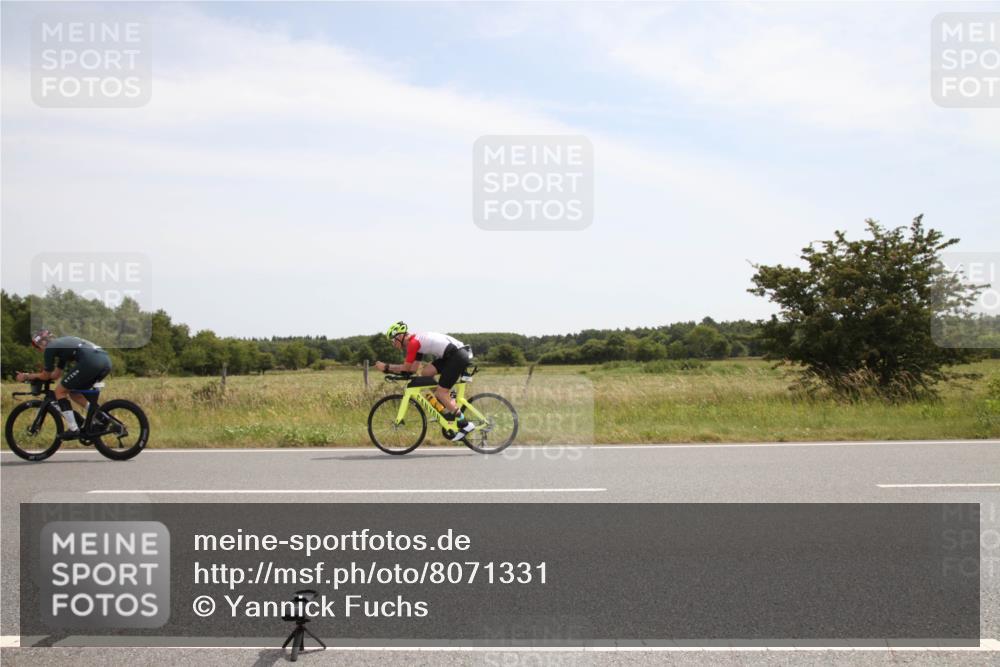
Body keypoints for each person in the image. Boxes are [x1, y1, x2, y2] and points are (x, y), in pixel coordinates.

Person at [375, 321, 474, 440]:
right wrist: (396, 373)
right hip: (452, 355)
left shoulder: (413, 343)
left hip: (456, 355)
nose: (393, 344)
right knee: (426, 373)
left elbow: (406, 368)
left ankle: (465, 423)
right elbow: (413, 369)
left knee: (441, 392)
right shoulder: (415, 342)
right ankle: (447, 401)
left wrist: (386, 367)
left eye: (393, 340)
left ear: (400, 336)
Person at [16, 330, 112, 434]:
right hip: (105, 361)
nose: (39, 350)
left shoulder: (50, 348)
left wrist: (27, 376)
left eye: (37, 347)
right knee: (74, 393)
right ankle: (102, 417)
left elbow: (46, 375)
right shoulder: (61, 345)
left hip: (90, 362)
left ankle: (73, 429)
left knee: (59, 391)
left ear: (42, 342)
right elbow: (56, 375)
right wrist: (36, 376)